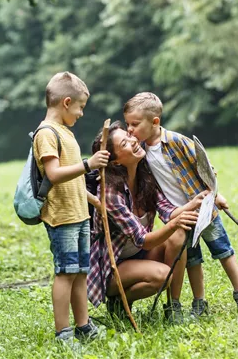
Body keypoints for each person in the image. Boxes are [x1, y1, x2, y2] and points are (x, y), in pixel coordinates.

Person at [123, 92, 238, 317]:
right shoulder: (141, 153)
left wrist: (216, 194)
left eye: (134, 124)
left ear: (155, 122)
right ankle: (199, 303)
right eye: (128, 124)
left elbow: (205, 167)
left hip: (204, 209)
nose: (130, 130)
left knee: (222, 250)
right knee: (192, 260)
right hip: (181, 217)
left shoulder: (176, 141)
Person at [87, 121, 208, 324]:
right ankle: (117, 300)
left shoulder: (145, 176)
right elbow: (143, 239)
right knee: (162, 277)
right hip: (112, 267)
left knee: (179, 234)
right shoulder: (109, 193)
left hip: (138, 254)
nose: (134, 142)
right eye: (124, 144)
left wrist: (194, 203)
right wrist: (174, 223)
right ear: (115, 162)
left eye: (129, 136)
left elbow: (167, 210)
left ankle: (173, 308)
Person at [33, 71, 110, 342]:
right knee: (66, 273)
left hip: (79, 214)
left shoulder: (65, 133)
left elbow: (73, 180)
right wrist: (89, 164)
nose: (81, 113)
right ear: (66, 102)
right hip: (62, 217)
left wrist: (94, 202)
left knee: (80, 273)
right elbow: (54, 174)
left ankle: (83, 325)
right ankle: (63, 332)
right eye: (80, 107)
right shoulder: (47, 133)